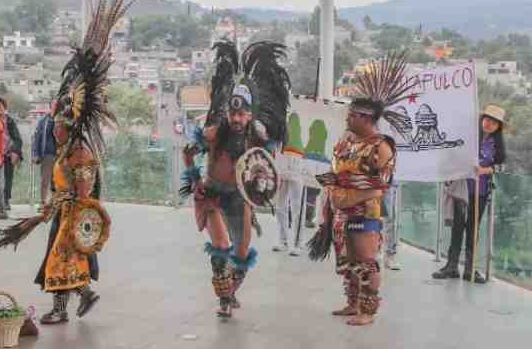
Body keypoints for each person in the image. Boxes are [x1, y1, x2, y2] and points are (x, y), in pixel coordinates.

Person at [0, 0, 133, 325]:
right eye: (54, 128)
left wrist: (67, 212)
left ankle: (73, 301)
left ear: (68, 127)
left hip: (72, 215)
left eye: (58, 127)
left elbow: (84, 194)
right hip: (63, 211)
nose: (54, 131)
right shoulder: (68, 149)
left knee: (60, 260)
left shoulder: (80, 153)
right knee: (60, 261)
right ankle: (73, 301)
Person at [182, 41, 290, 319]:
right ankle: (225, 299)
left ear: (250, 114)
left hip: (239, 198)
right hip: (211, 196)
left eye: (241, 114)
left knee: (241, 255)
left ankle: (230, 292)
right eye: (233, 113)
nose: (236, 118)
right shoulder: (214, 132)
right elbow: (188, 152)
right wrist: (195, 180)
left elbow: (265, 166)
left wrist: (258, 186)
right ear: (227, 113)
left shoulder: (258, 136)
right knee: (220, 248)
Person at [310, 53, 413, 327]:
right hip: (342, 211)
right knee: (348, 260)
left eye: (351, 114)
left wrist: (345, 192)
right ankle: (352, 302)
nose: (347, 118)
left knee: (366, 260)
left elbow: (381, 184)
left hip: (365, 213)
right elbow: (340, 173)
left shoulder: (381, 147)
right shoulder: (347, 142)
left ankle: (368, 310)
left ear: (366, 118)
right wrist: (332, 195)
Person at [433, 105, 506, 283]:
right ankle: (451, 266)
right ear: (482, 120)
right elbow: (452, 155)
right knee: (458, 227)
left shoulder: (497, 145)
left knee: (473, 229)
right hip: (462, 189)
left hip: (480, 191)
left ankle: (470, 269)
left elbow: (502, 167)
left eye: (494, 122)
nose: (489, 124)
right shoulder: (469, 138)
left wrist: (485, 170)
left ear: (498, 127)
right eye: (487, 119)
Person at [31, 102, 58, 212]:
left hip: (60, 155)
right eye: (55, 105)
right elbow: (36, 139)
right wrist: (35, 154)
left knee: (57, 180)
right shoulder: (43, 121)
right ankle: (43, 203)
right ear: (51, 106)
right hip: (47, 155)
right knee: (45, 180)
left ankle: (56, 203)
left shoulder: (62, 120)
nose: (56, 107)